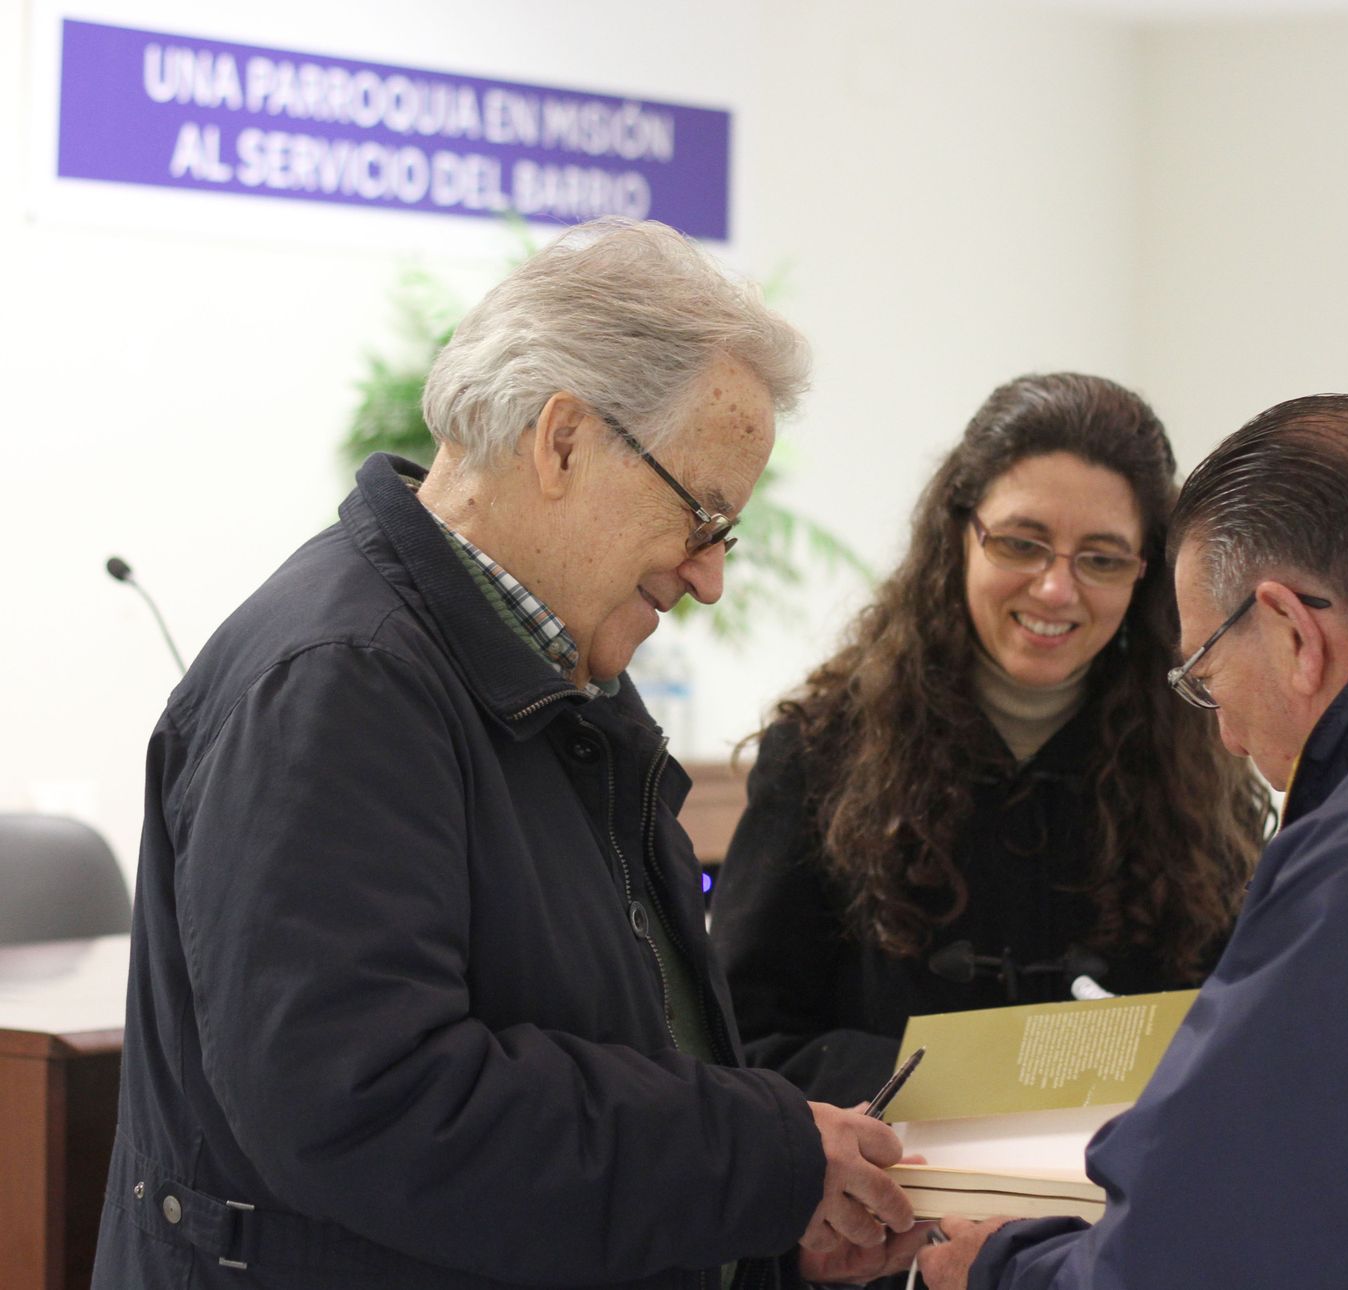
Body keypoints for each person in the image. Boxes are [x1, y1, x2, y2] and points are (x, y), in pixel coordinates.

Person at [92, 218, 923, 1290]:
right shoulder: (340, 680)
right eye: (703, 516)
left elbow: (611, 1042)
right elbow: (373, 1103)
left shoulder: (545, 684)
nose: (709, 577)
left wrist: (764, 1224)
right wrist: (763, 1159)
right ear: (564, 440)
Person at [921, 394, 1348, 1290]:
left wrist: (999, 1267)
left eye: (1206, 674)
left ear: (1290, 631)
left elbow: (1214, 1253)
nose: (1230, 738)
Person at [710, 373, 1273, 1107]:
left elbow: (1236, 1036)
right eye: (1021, 543)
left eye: (1101, 559)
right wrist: (959, 1088)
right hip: (886, 1202)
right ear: (960, 535)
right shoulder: (822, 750)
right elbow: (740, 1039)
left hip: (1110, 1209)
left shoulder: (1207, 759)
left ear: (1147, 574)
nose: (1053, 590)